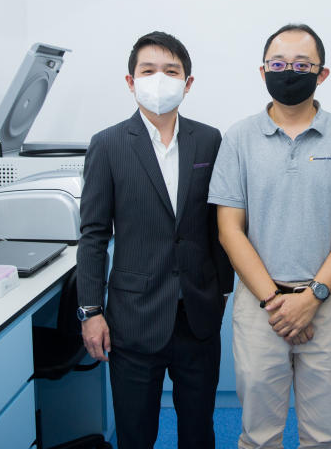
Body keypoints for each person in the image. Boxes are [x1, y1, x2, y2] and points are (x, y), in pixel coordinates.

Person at [208, 24, 331, 449]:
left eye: (302, 65)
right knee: (259, 436)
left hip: (329, 304)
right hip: (260, 307)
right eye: (279, 64)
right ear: (262, 70)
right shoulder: (238, 139)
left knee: (323, 435)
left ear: (322, 74)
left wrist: (312, 297)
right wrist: (274, 302)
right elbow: (230, 230)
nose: (289, 72)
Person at [76, 31, 234, 449]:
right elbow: (93, 235)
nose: (159, 79)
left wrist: (221, 289)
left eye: (171, 71)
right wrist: (90, 310)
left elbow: (219, 224)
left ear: (188, 82)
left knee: (198, 431)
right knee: (136, 434)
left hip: (197, 315)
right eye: (148, 71)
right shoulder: (107, 145)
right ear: (131, 81)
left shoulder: (209, 140)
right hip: (133, 317)